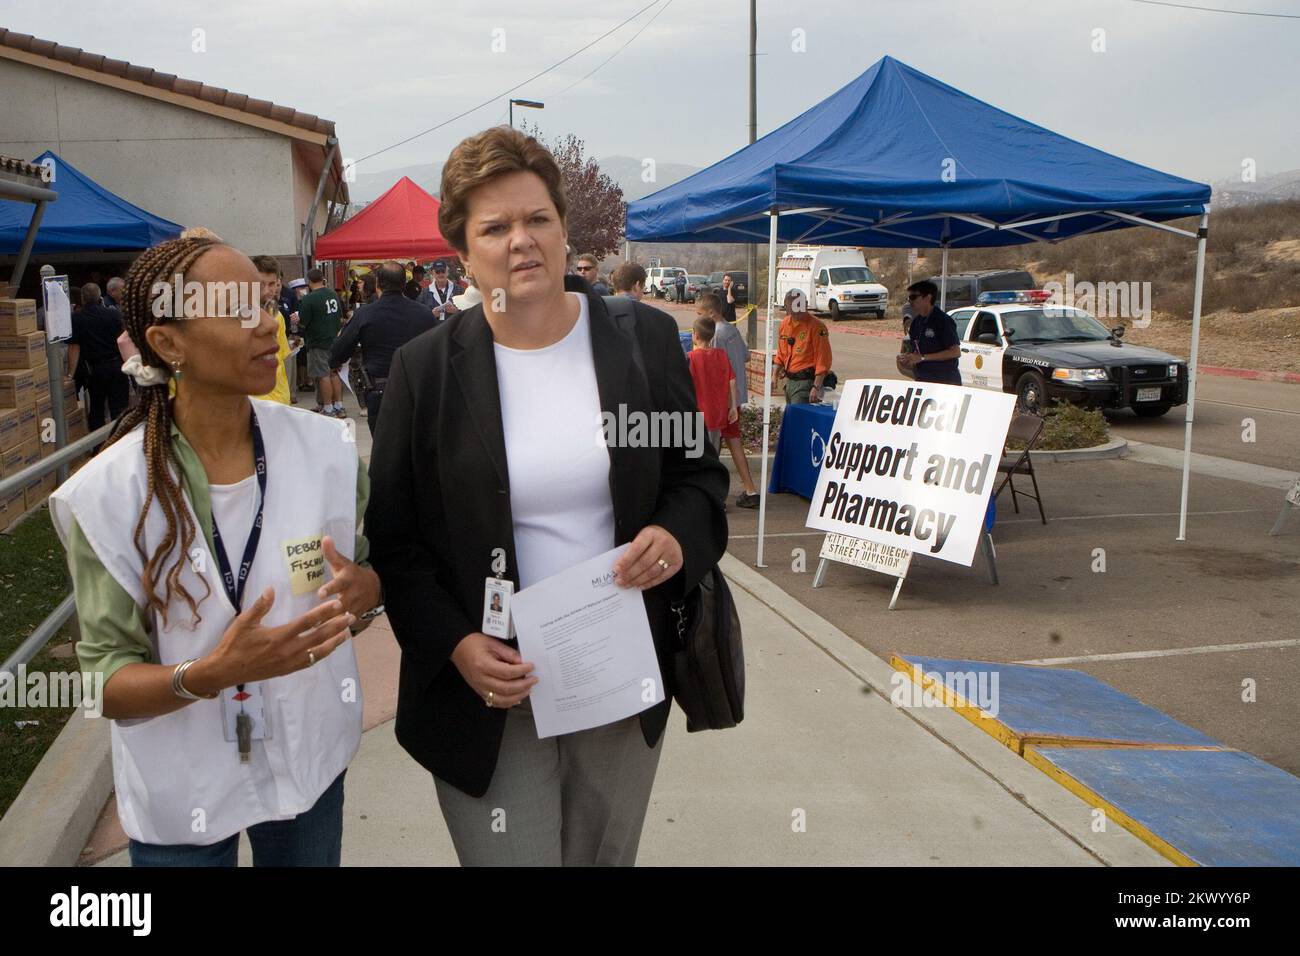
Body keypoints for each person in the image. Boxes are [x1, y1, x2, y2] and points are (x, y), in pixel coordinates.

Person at [366, 126, 728, 867]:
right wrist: (458, 645)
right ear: (463, 253)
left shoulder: (640, 343)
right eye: (495, 227)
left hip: (616, 675)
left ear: (566, 232)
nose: (521, 241)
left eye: (538, 219)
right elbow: (398, 545)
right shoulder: (425, 372)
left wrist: (676, 537)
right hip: (492, 689)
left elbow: (698, 481)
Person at [48, 234, 383, 866]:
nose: (269, 325)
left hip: (308, 768)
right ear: (168, 344)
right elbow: (104, 681)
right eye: (235, 309)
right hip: (185, 791)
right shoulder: (110, 495)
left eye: (263, 302)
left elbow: (360, 578)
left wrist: (368, 592)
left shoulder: (327, 450)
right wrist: (209, 675)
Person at [328, 261, 439, 435]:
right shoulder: (424, 313)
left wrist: (336, 356)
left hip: (380, 391)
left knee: (384, 450)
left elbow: (338, 353)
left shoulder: (365, 314)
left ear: (378, 283)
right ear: (404, 284)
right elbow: (438, 354)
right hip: (417, 391)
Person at [695, 293, 759, 508]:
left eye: (700, 314)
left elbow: (716, 370)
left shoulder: (716, 336)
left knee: (720, 445)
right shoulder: (731, 330)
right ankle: (748, 489)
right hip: (736, 396)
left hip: (723, 401)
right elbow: (746, 356)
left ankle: (742, 490)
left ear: (711, 313)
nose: (699, 318)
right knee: (731, 442)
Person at [67, 282, 130, 431]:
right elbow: (124, 339)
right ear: (99, 296)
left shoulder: (77, 317)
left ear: (83, 298)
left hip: (95, 370)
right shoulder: (114, 314)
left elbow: (74, 347)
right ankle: (120, 440)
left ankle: (98, 448)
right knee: (120, 408)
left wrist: (70, 373)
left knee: (97, 409)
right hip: (117, 366)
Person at [686, 315, 739, 458]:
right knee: (713, 455)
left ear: (695, 335)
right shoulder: (721, 355)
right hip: (718, 414)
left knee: (696, 457)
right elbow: (732, 380)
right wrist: (733, 406)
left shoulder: (690, 358)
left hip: (697, 415)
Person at [297, 268, 345, 417]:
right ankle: (339, 405)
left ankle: (328, 407)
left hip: (318, 341)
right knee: (334, 373)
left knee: (323, 375)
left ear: (309, 281)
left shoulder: (309, 299)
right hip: (334, 339)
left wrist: (297, 320)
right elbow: (340, 317)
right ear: (323, 279)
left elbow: (304, 322)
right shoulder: (333, 294)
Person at [898, 279, 962, 385]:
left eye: (913, 297)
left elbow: (955, 352)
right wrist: (908, 358)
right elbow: (917, 351)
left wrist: (923, 357)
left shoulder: (943, 321)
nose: (910, 301)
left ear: (928, 298)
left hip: (945, 381)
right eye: (909, 298)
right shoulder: (916, 323)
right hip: (923, 380)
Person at [774, 289, 832, 404]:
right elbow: (781, 354)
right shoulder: (785, 324)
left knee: (798, 418)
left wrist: (816, 387)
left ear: (805, 305)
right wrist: (774, 375)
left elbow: (823, 359)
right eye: (792, 308)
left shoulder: (817, 327)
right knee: (791, 418)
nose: (796, 313)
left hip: (806, 383)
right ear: (786, 306)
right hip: (790, 382)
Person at [250, 256, 293, 406]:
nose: (267, 290)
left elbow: (281, 359)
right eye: (261, 284)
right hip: (255, 402)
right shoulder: (239, 317)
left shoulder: (277, 315)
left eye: (272, 284)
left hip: (279, 399)